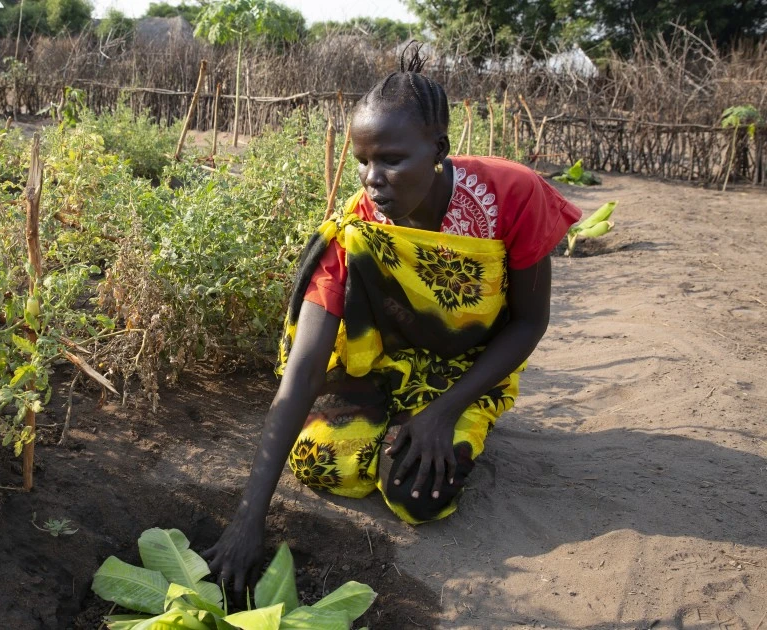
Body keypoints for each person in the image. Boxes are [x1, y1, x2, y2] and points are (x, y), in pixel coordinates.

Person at [201, 48, 582, 595]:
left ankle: (452, 420)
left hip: (469, 371)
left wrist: (441, 413)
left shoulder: (511, 195)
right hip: (385, 372)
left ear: (438, 150)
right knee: (318, 461)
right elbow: (304, 370)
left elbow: (528, 324)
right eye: (362, 160)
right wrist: (247, 518)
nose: (372, 179)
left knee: (417, 498)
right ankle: (388, 409)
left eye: (392, 160)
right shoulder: (355, 229)